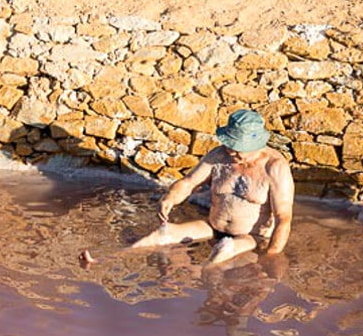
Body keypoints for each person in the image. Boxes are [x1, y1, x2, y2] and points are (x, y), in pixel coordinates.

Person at [85, 109, 294, 267]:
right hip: (213, 226)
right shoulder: (219, 155)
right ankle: (103, 260)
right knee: (162, 234)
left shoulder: (274, 167)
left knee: (223, 252)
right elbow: (188, 183)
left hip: (251, 237)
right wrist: (170, 198)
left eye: (238, 148)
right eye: (230, 145)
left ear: (255, 144)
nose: (232, 151)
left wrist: (271, 259)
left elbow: (283, 218)